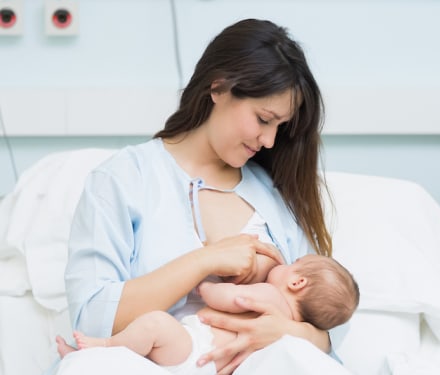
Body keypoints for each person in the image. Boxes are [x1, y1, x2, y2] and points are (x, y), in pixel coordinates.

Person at [62, 18, 335, 375]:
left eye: (280, 127)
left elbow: (327, 326)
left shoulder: (275, 198)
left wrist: (291, 331)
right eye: (263, 119)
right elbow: (94, 319)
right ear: (219, 87)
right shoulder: (121, 180)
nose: (269, 141)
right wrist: (204, 261)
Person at [58, 254, 359, 375]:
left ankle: (102, 347)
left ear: (297, 282)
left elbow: (230, 298)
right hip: (208, 366)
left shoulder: (270, 296)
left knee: (154, 325)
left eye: (292, 262)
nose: (285, 263)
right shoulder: (290, 325)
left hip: (195, 348)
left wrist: (208, 283)